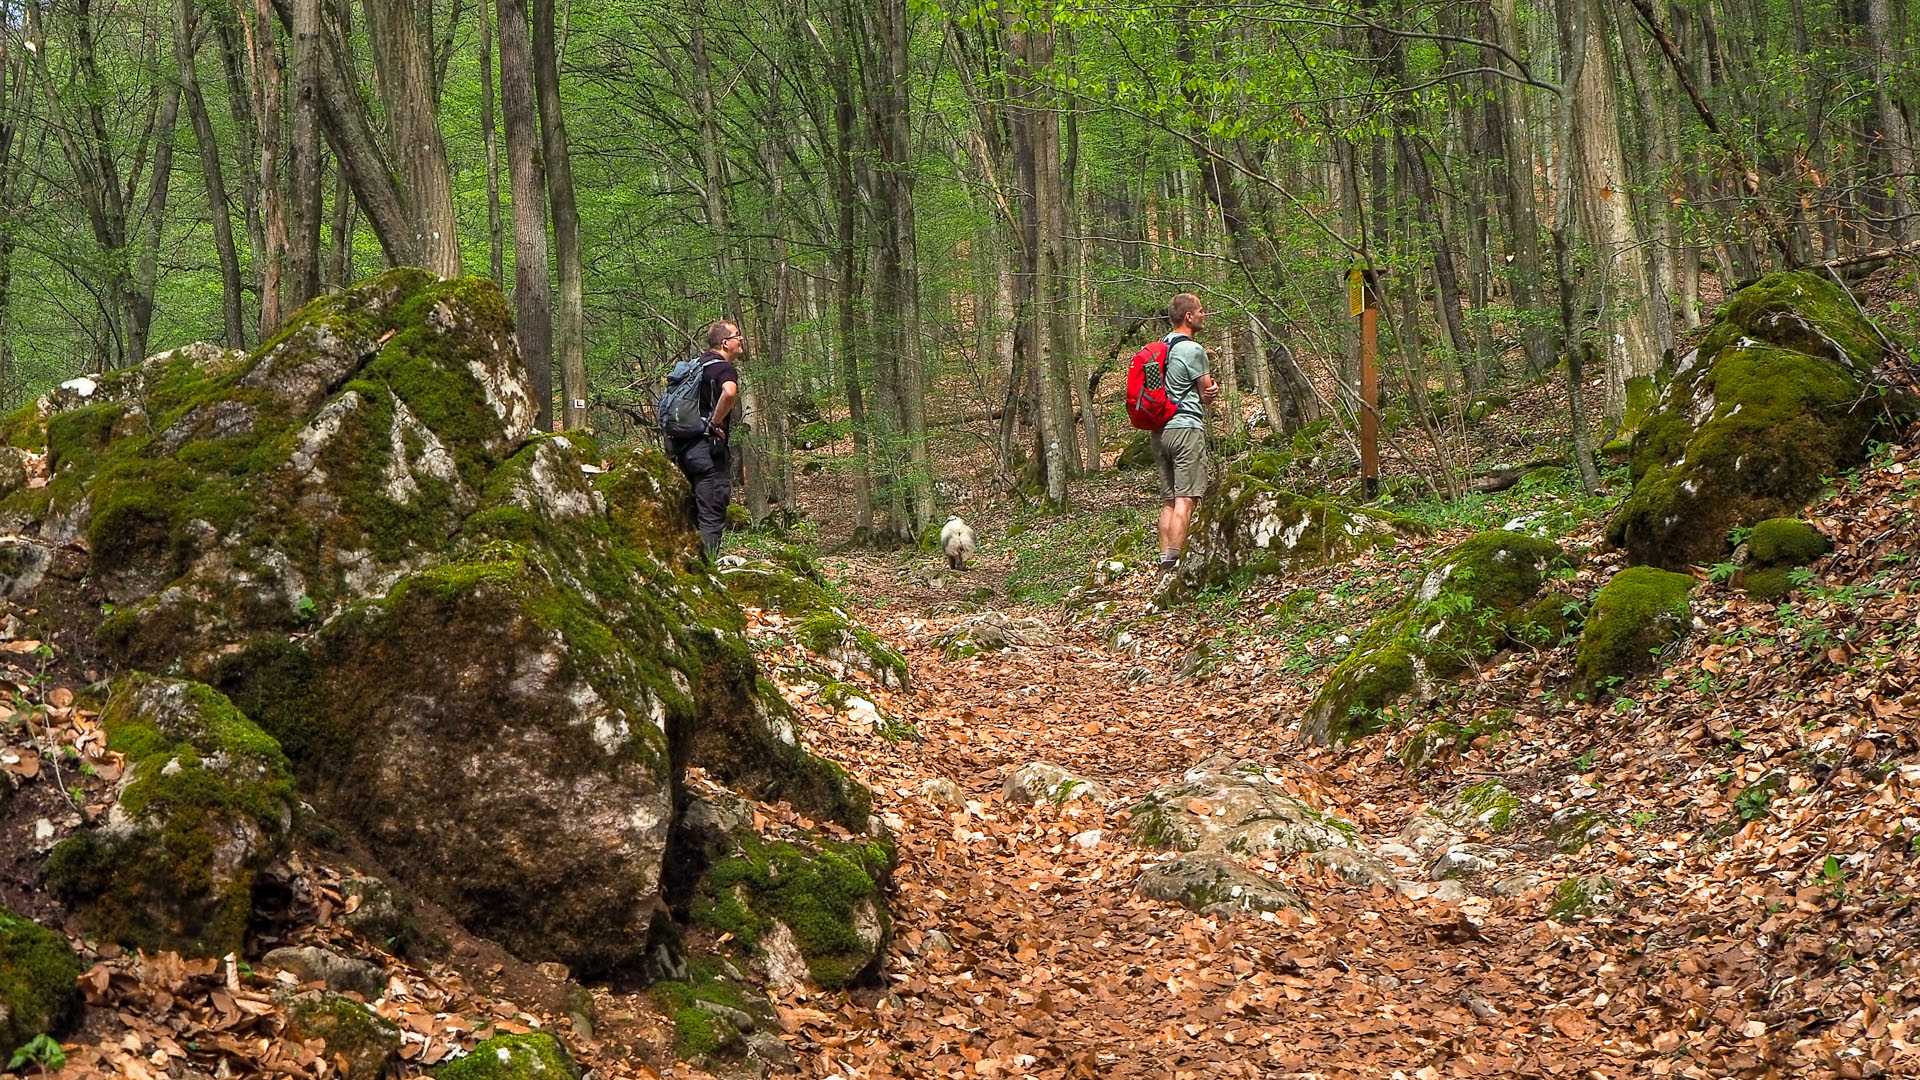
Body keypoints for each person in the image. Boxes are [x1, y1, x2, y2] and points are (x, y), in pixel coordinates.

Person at [1152, 293, 1218, 572]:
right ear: (1188, 316)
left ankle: (1163, 559)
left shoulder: (1160, 348)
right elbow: (1205, 393)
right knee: (1186, 498)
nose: (1204, 315)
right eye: (1201, 311)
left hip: (1159, 431)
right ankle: (1177, 564)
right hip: (1185, 428)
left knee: (1169, 501)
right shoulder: (1193, 349)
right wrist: (1212, 392)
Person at [667, 320, 742, 556]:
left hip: (684, 451)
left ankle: (686, 572)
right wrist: (715, 422)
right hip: (709, 451)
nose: (741, 339)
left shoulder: (695, 367)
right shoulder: (723, 368)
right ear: (725, 343)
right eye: (737, 335)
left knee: (691, 515)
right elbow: (729, 392)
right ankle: (707, 574)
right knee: (711, 516)